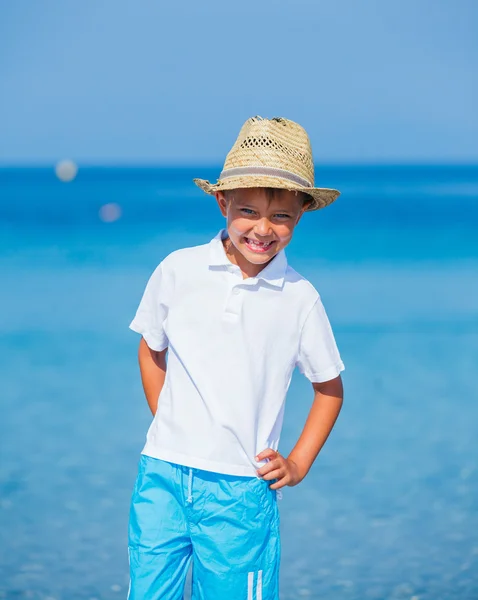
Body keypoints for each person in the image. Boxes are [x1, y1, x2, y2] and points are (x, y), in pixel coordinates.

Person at [127, 116, 345, 600]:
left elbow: (329, 389)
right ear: (222, 201)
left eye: (282, 216)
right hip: (161, 473)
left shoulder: (299, 298)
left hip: (240, 490)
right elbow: (150, 346)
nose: (263, 230)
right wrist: (168, 419)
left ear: (302, 213)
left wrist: (298, 464)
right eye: (248, 210)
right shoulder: (178, 270)